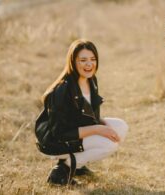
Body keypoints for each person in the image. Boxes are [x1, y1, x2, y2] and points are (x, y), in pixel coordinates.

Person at [36, 39, 128, 185]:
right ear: (73, 62)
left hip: (74, 132)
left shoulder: (91, 80)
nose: (89, 64)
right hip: (55, 141)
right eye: (83, 60)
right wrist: (98, 129)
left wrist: (102, 124)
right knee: (109, 145)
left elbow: (87, 114)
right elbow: (60, 133)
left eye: (93, 59)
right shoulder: (62, 90)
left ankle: (78, 166)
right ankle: (62, 170)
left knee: (121, 127)